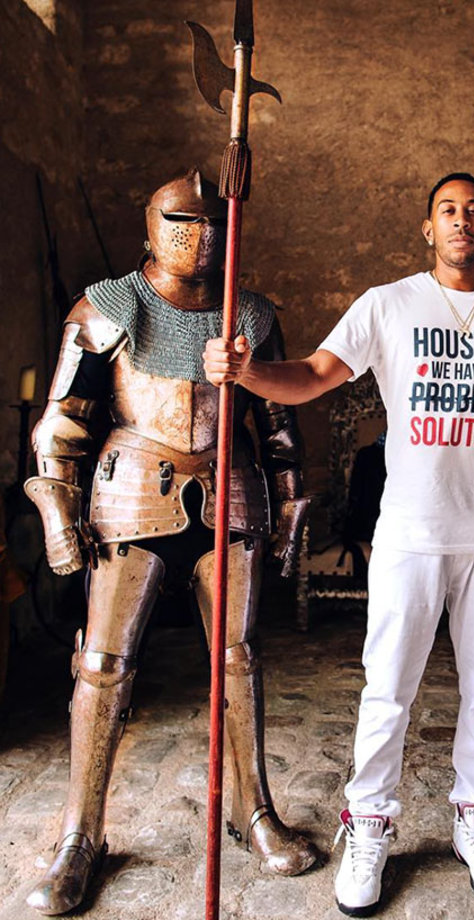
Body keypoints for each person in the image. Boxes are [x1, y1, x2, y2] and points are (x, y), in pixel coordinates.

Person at [204, 172, 474, 915]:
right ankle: (368, 822)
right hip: (409, 531)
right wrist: (247, 372)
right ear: (428, 229)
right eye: (448, 211)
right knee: (389, 688)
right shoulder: (387, 304)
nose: (461, 220)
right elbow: (314, 375)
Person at [25, 168, 316, 915]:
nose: (200, 237)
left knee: (239, 660)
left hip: (232, 490)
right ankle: (80, 834)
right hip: (130, 493)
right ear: (151, 225)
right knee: (102, 665)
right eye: (183, 222)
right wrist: (59, 511)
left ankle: (253, 809)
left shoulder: (250, 313)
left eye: (212, 224)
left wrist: (290, 508)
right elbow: (62, 422)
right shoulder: (108, 306)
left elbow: (278, 427)